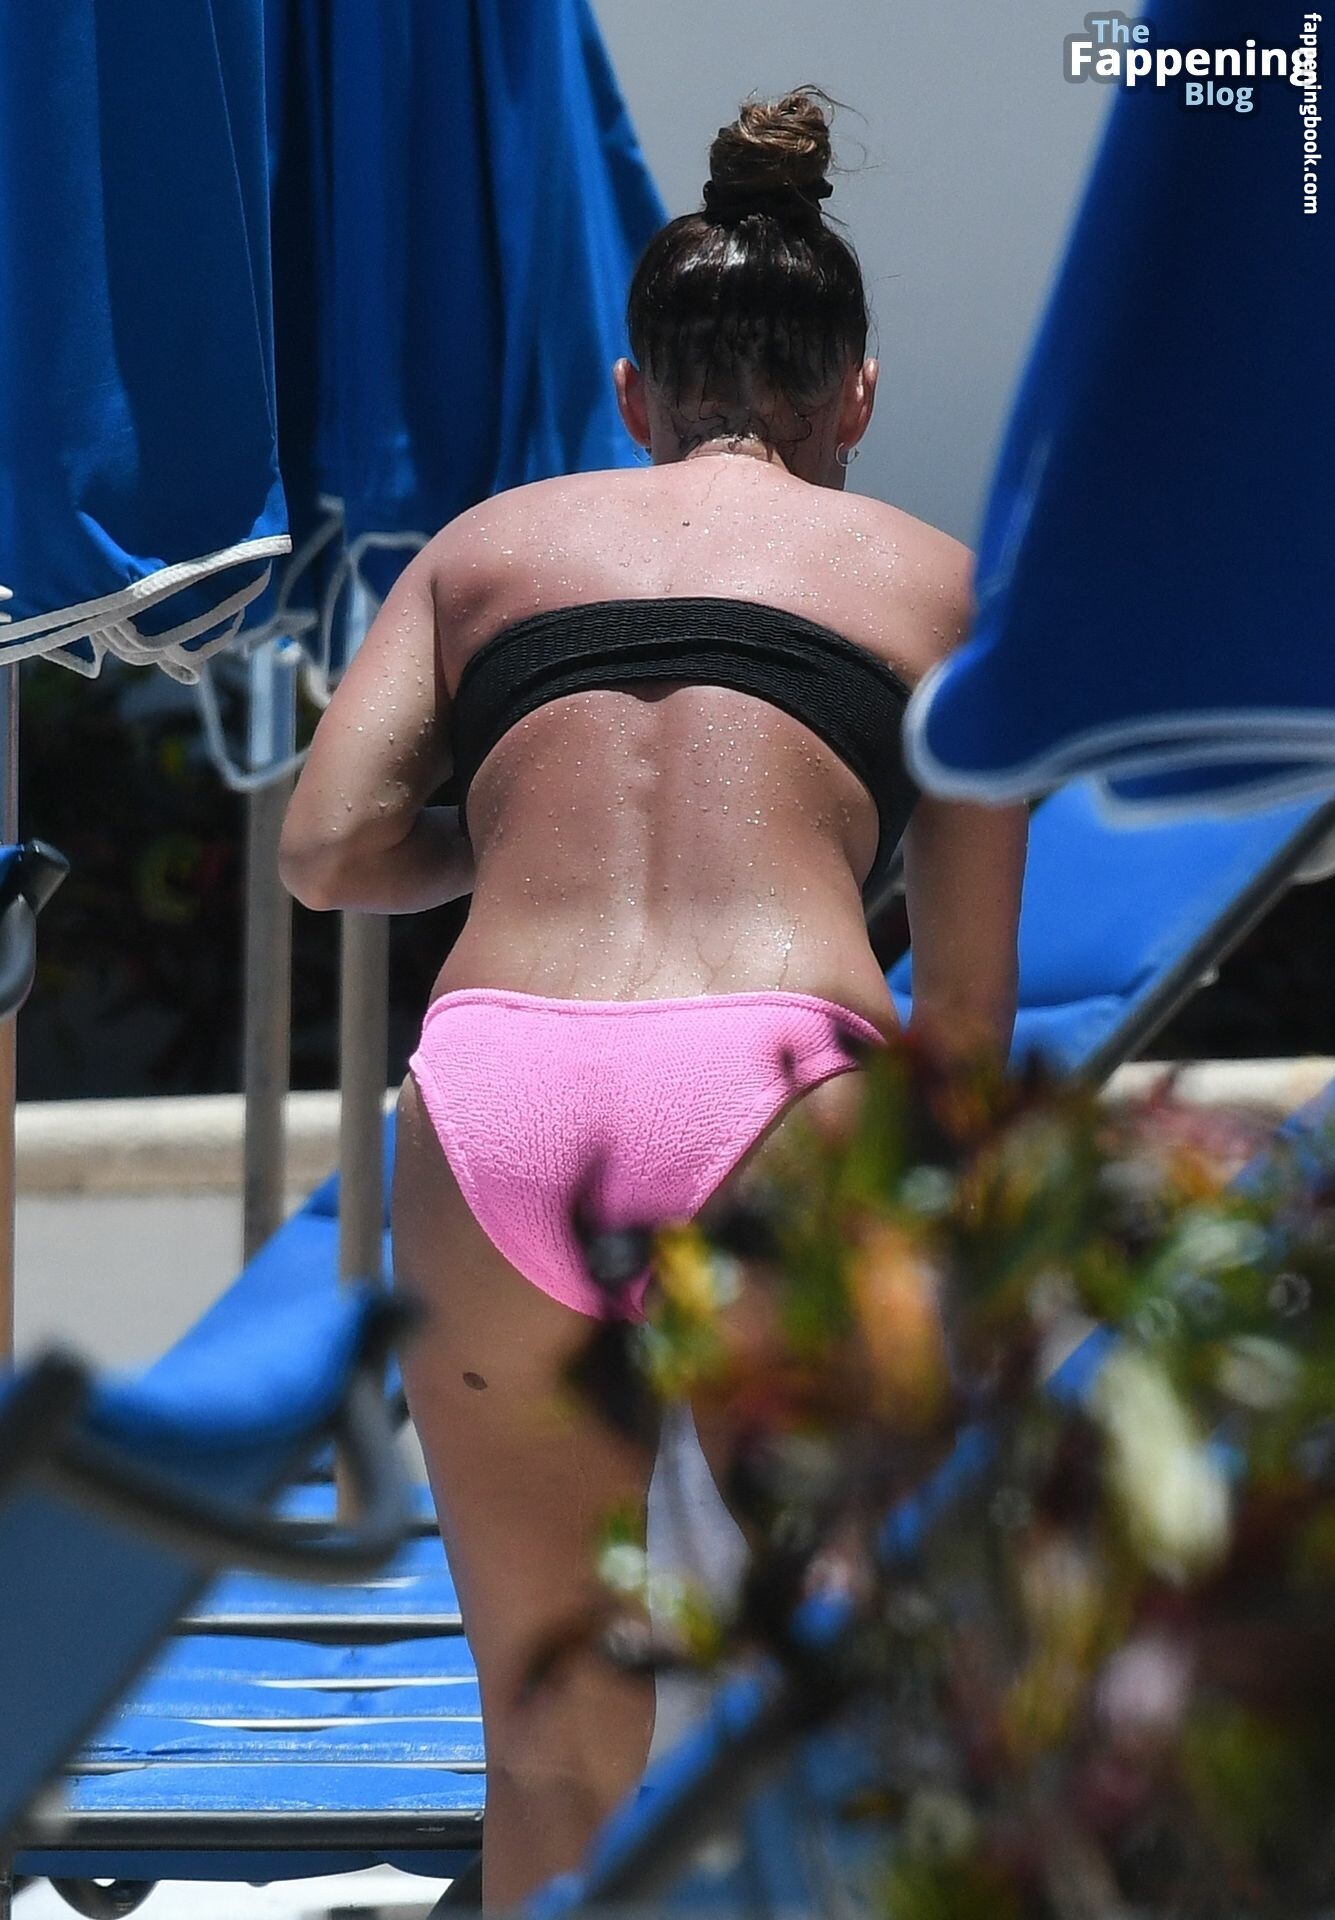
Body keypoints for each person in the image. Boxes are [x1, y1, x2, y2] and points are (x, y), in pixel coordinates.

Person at [280, 88, 1027, 1909]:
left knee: (549, 1744)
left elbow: (328, 849)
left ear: (632, 395)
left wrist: (500, 842)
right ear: (857, 397)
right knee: (831, 1700)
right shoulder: (943, 586)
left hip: (499, 1092)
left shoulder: (486, 551)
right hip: (781, 1079)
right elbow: (967, 1022)